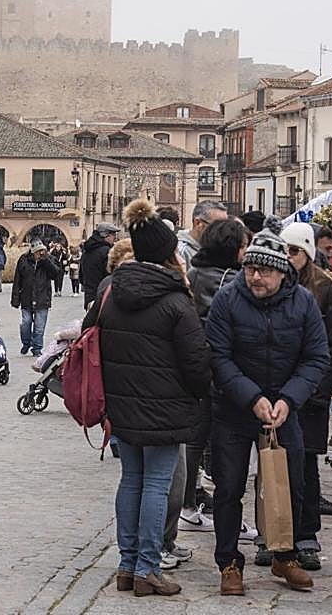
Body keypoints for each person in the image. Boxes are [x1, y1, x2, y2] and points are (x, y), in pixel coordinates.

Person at [87, 198, 211, 598]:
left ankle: (127, 566)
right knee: (157, 484)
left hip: (121, 406)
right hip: (165, 409)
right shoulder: (175, 300)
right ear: (167, 253)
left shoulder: (110, 293)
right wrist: (199, 395)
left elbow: (90, 337)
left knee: (131, 481)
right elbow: (196, 364)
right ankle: (148, 568)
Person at [205, 230, 330, 595]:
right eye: (250, 269)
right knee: (228, 487)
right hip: (234, 408)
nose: (256, 277)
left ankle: (284, 555)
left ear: (282, 273)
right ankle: (229, 562)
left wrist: (289, 399)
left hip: (282, 408)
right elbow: (218, 356)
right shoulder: (227, 299)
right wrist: (251, 397)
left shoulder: (303, 303)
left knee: (290, 484)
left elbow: (316, 357)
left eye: (265, 271)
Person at [280, 222, 332, 570]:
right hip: (279, 392)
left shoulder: (324, 288)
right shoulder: (274, 282)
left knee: (306, 466)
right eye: (284, 250)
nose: (288, 257)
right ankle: (273, 535)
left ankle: (306, 535)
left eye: (294, 250)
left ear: (306, 251)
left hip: (311, 394)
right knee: (273, 465)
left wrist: (320, 391)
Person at [180, 218, 252, 534]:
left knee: (195, 439)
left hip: (195, 366)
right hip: (222, 370)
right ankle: (219, 514)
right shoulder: (234, 282)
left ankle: (188, 503)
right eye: (243, 246)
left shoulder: (194, 274)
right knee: (221, 444)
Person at [11, 240, 62, 356]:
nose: (39, 253)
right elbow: (17, 279)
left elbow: (55, 274)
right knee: (26, 322)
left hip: (42, 297)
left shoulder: (49, 259)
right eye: (37, 252)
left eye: (41, 251)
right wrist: (15, 298)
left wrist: (45, 261)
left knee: (39, 326)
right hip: (26, 297)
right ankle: (26, 343)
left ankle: (37, 348)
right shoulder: (24, 259)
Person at [176, 201, 230, 272]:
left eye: (226, 227)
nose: (224, 232)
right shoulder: (180, 251)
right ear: (198, 223)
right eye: (218, 227)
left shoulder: (221, 248)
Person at [80, 221, 120, 309]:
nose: (115, 238)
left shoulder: (86, 251)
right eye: (113, 235)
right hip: (105, 297)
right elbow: (112, 275)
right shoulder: (107, 252)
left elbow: (81, 276)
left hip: (90, 297)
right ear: (106, 235)